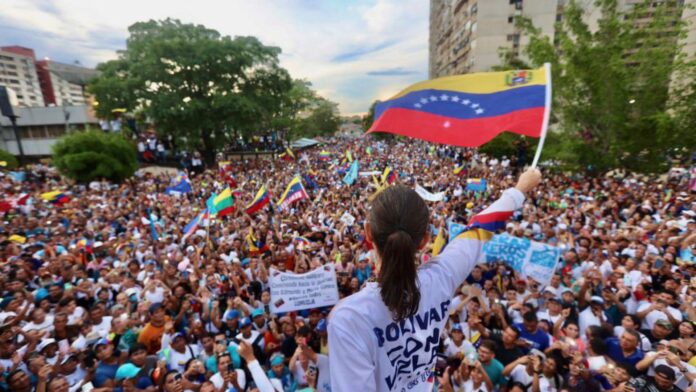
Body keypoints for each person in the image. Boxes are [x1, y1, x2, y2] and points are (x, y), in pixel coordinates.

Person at [328, 169, 541, 391]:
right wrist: (520, 189)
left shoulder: (349, 318)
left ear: (368, 233)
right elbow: (479, 229)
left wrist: (519, 190)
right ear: (425, 240)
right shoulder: (441, 278)